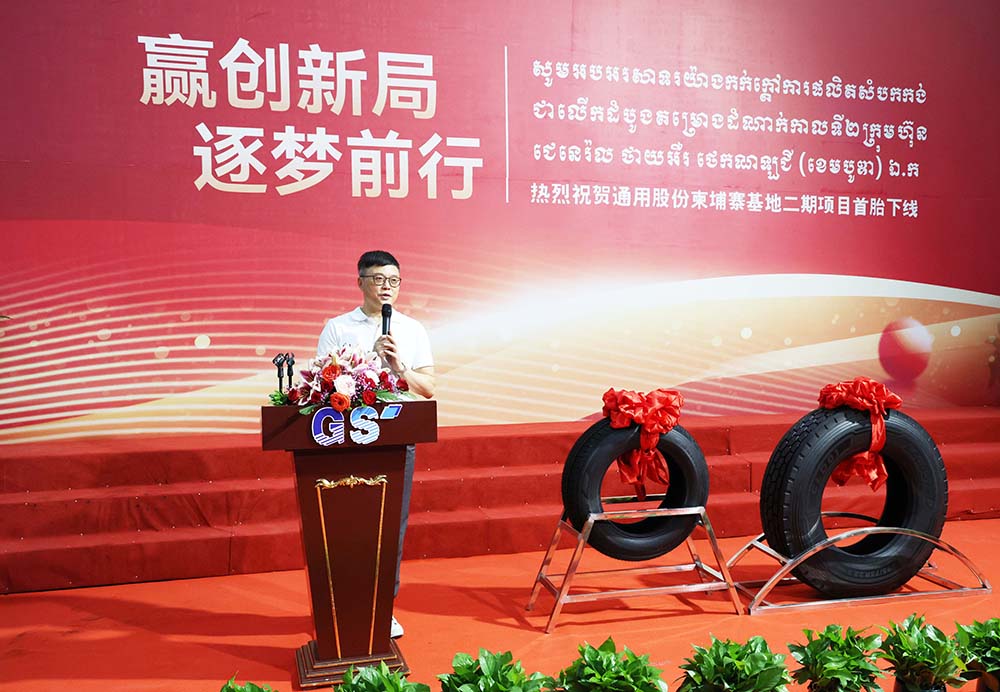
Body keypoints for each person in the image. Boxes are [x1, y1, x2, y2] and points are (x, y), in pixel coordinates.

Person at [315, 250, 434, 639]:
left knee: (391, 525)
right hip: (348, 437)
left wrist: (399, 367)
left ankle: (385, 606)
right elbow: (324, 385)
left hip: (397, 436)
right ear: (360, 282)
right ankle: (342, 603)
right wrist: (369, 359)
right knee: (347, 524)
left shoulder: (412, 329)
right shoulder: (338, 327)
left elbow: (428, 388)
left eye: (394, 281)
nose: (387, 287)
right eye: (379, 279)